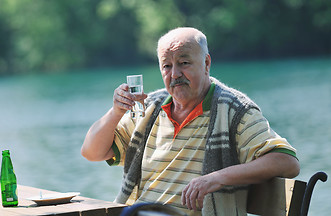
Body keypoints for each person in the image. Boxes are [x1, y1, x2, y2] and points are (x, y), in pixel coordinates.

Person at [81, 27, 300, 216]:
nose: (175, 74)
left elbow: (287, 161)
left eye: (184, 63)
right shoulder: (150, 107)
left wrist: (217, 178)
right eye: (166, 66)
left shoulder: (233, 110)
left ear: (206, 63)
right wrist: (116, 112)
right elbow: (92, 152)